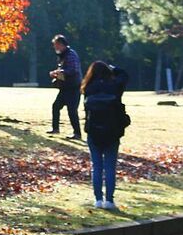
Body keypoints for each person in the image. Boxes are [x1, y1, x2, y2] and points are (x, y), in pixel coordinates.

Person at [82, 61, 130, 210]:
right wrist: (113, 67)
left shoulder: (88, 88)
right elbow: (125, 75)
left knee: (96, 167)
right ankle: (109, 200)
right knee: (110, 167)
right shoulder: (114, 86)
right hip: (112, 131)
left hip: (94, 131)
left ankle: (98, 199)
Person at [47, 34, 82, 139]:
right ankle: (55, 129)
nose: (54, 47)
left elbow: (73, 70)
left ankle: (77, 133)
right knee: (56, 106)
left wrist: (58, 72)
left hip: (73, 88)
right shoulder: (63, 55)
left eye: (56, 45)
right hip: (65, 88)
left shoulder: (71, 54)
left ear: (61, 44)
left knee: (72, 111)